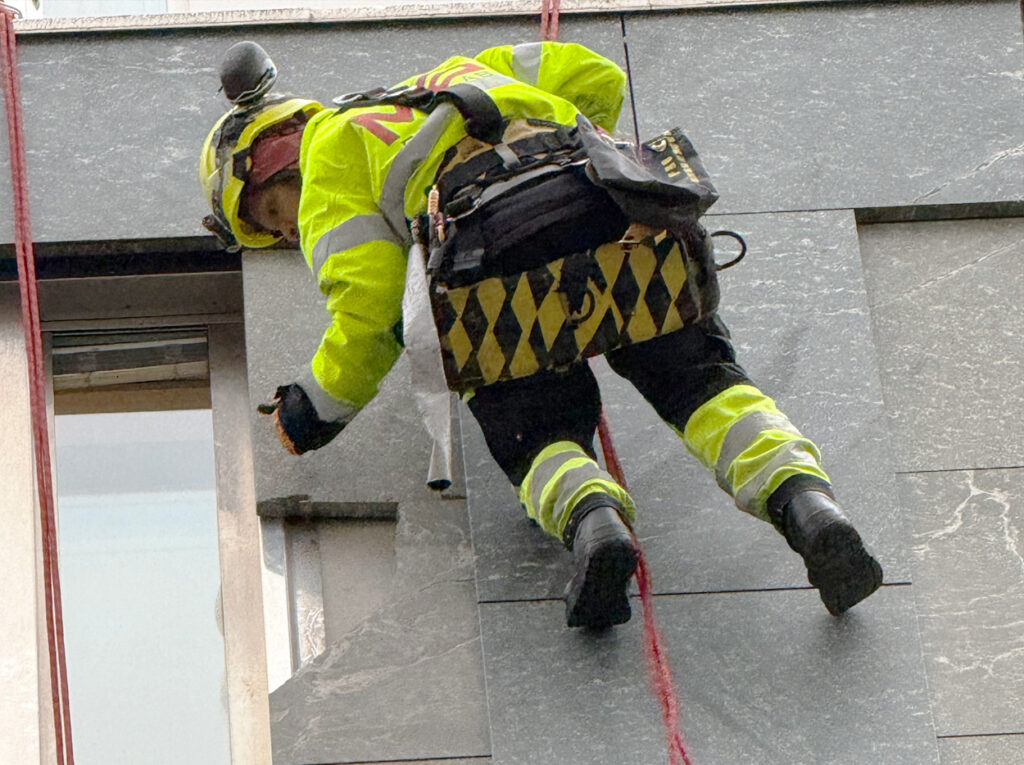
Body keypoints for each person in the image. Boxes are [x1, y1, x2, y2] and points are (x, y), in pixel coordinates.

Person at [200, 40, 883, 629]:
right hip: (609, 212)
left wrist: (312, 409)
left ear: (270, 155)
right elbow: (597, 80)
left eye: (273, 215)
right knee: (700, 378)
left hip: (491, 263)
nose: (289, 232)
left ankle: (595, 524)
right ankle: (808, 504)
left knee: (530, 424)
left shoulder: (329, 160)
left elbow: (371, 310)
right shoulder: (463, 71)